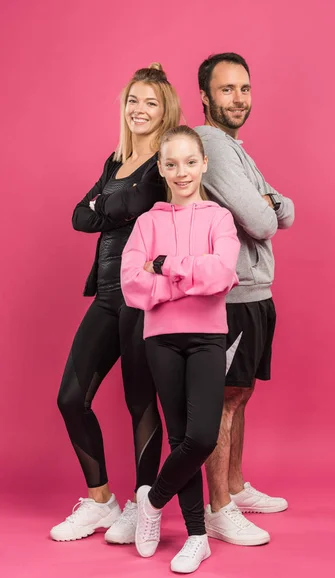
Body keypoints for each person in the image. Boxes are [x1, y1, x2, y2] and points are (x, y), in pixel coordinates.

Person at [50, 64, 181, 543]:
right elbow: (77, 218)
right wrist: (115, 202)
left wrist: (106, 205)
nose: (139, 110)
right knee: (70, 398)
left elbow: (119, 209)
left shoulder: (163, 162)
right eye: (133, 101)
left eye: (150, 102)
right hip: (106, 297)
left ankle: (142, 503)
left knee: (140, 403)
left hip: (142, 299)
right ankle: (100, 500)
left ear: (165, 110)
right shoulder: (115, 162)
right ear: (123, 108)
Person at [121, 125, 240, 573]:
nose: (181, 171)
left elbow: (221, 275)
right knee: (178, 436)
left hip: (208, 336)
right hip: (161, 339)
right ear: (161, 168)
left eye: (190, 162)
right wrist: (186, 284)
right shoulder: (147, 222)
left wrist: (167, 267)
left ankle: (152, 500)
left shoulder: (219, 218)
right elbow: (132, 283)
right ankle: (196, 536)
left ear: (203, 163)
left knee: (201, 437)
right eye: (171, 164)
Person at [195, 53, 295, 546]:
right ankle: (218, 508)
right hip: (232, 296)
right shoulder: (210, 143)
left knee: (241, 394)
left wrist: (267, 203)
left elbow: (284, 210)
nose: (238, 98)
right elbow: (262, 221)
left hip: (258, 292)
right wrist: (267, 204)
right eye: (227, 89)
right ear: (206, 98)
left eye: (244, 89)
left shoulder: (236, 148)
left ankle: (234, 486)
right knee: (223, 401)